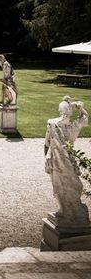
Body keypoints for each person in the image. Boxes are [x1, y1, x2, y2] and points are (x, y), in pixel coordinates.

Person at [44, 96, 90, 226]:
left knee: (59, 185)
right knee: (72, 185)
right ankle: (70, 212)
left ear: (60, 111)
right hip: (68, 160)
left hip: (57, 161)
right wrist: (81, 108)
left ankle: (65, 211)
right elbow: (85, 117)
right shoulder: (73, 127)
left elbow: (46, 144)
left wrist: (46, 158)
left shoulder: (52, 124)